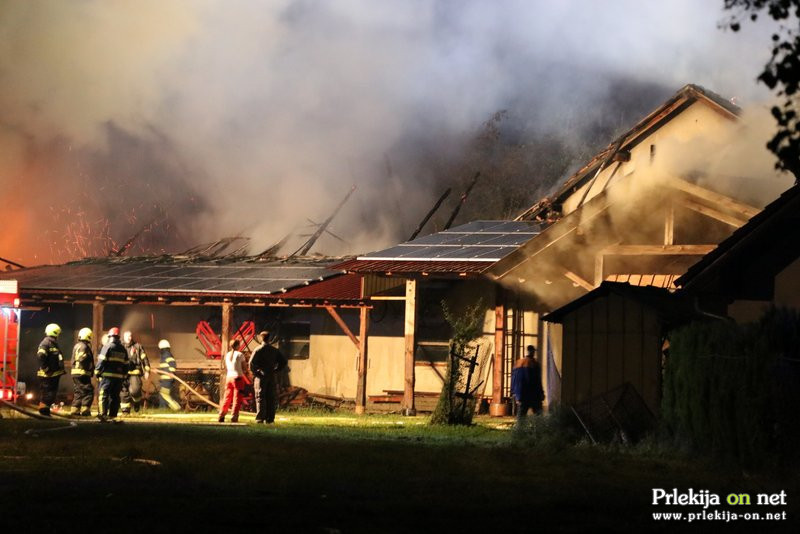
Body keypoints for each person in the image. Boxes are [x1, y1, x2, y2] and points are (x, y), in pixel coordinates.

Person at [248, 331, 287, 424]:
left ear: (261, 338)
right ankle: (270, 418)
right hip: (271, 376)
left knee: (260, 397)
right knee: (270, 397)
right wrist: (276, 370)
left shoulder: (258, 350)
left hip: (261, 377)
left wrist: (256, 373)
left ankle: (260, 418)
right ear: (269, 338)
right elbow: (283, 362)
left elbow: (251, 364)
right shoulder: (274, 350)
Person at [94, 327, 129, 423]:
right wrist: (124, 375)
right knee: (115, 396)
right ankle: (113, 414)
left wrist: (97, 371)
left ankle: (102, 414)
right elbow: (126, 364)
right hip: (118, 378)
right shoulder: (123, 349)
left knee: (103, 395)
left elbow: (101, 360)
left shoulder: (107, 346)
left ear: (110, 336)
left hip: (107, 377)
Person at [36, 323, 65, 416]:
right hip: (48, 375)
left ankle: (45, 411)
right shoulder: (46, 343)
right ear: (56, 333)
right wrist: (46, 368)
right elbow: (41, 356)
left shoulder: (52, 343)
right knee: (47, 393)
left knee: (50, 393)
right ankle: (43, 412)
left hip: (52, 374)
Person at [511, 345, 544, 423]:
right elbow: (537, 381)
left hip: (521, 394)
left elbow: (513, 379)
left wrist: (513, 392)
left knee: (521, 417)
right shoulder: (534, 364)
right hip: (533, 394)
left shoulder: (518, 363)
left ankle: (519, 432)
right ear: (533, 352)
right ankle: (539, 432)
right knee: (538, 416)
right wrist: (541, 393)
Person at [121, 330, 150, 414]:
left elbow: (144, 359)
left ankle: (136, 402)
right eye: (127, 336)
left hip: (134, 373)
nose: (129, 338)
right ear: (124, 337)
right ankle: (125, 410)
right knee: (123, 392)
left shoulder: (137, 346)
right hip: (124, 373)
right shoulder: (120, 347)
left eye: (130, 336)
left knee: (135, 391)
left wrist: (147, 370)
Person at [218, 340, 247, 423]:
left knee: (227, 397)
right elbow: (244, 367)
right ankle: (234, 417)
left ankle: (221, 415)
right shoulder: (240, 355)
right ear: (237, 345)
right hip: (238, 378)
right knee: (237, 398)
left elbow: (226, 366)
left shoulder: (227, 355)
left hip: (229, 378)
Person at [69, 327, 94, 416]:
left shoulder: (77, 345)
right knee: (88, 391)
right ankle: (85, 410)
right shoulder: (84, 347)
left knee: (78, 391)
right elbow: (82, 358)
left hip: (75, 372)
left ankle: (75, 410)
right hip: (82, 372)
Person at [157, 339, 181, 411]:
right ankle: (162, 409)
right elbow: (165, 368)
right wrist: (159, 371)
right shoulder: (165, 356)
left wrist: (171, 373)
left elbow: (173, 364)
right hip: (165, 379)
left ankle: (176, 407)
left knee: (164, 394)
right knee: (162, 395)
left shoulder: (166, 355)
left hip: (167, 379)